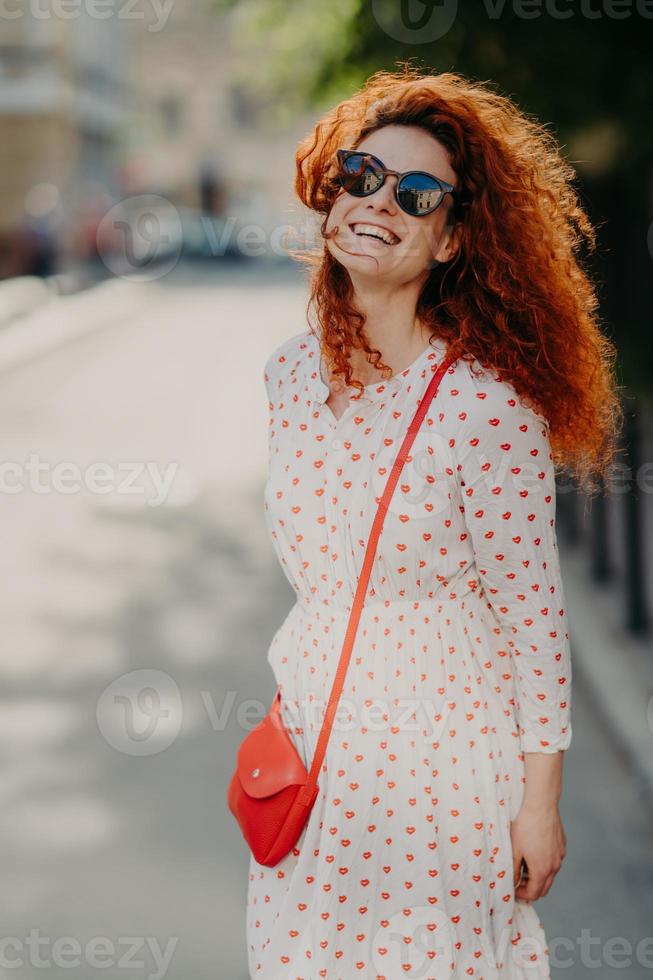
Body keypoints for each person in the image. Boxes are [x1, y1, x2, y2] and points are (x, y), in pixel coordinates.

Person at [246, 65, 621, 979]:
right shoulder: (289, 377)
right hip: (312, 741)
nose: (380, 203)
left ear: (452, 239)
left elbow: (533, 619)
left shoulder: (485, 412)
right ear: (334, 197)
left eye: (418, 196)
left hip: (441, 763)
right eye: (362, 177)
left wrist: (539, 802)